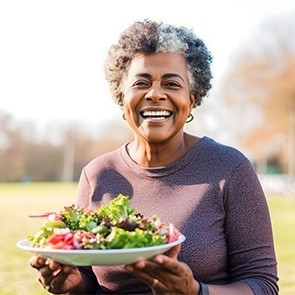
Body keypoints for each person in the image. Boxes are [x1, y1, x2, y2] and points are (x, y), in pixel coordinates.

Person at [29, 19, 279, 295]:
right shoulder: (97, 174)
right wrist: (73, 285)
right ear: (122, 97)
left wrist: (196, 292)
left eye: (172, 83)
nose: (156, 94)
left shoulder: (230, 169)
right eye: (141, 82)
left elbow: (263, 285)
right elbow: (89, 281)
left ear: (191, 99)